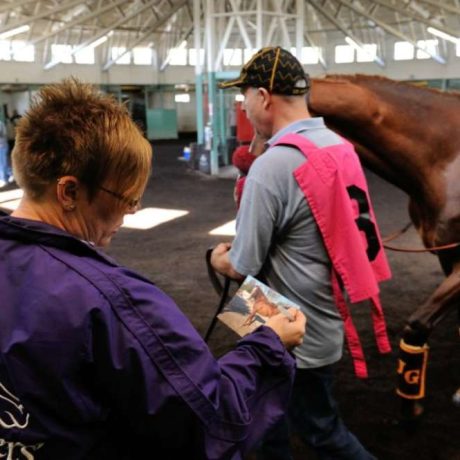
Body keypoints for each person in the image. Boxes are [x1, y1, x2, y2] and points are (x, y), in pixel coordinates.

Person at [0, 78, 306, 460]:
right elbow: (212, 423)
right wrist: (269, 345)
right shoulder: (114, 303)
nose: (130, 212)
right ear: (70, 192)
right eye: (125, 198)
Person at [212, 46, 392, 460]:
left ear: (264, 97)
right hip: (323, 317)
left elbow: (242, 264)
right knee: (267, 424)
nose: (244, 105)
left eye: (245, 97)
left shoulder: (275, 165)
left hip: (288, 330)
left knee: (320, 432)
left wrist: (214, 259)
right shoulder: (338, 146)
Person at [0, 118, 11, 188]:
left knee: (2, 163)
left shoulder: (0, 124)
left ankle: (4, 179)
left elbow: (2, 134)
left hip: (2, 146)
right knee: (2, 163)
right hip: (2, 145)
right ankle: (8, 175)